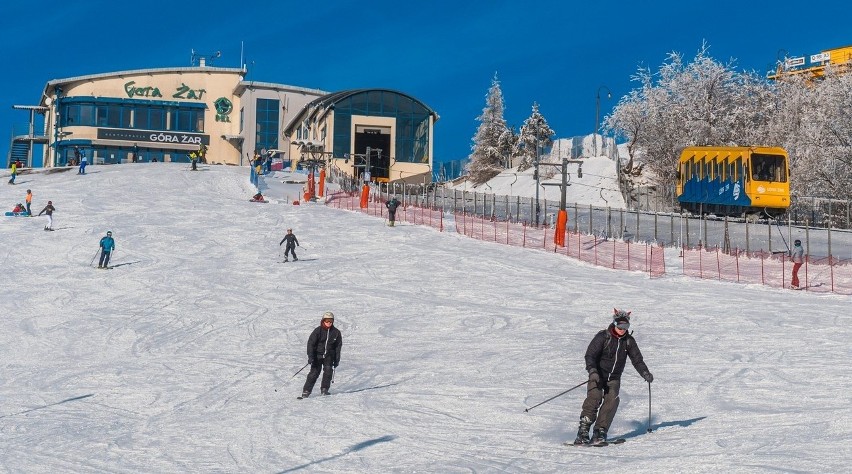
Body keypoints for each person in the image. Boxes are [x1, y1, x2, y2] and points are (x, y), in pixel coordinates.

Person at [573, 309, 653, 445]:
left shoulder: (628, 341)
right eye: (620, 326)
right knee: (594, 397)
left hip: (614, 378)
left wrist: (645, 373)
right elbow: (590, 355)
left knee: (612, 400)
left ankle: (600, 432)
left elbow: (637, 360)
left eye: (626, 327)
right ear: (614, 323)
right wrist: (593, 371)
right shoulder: (603, 337)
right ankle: (583, 432)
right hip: (598, 375)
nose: (622, 329)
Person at [302, 311, 343, 398]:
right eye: (327, 321)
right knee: (314, 373)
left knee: (328, 372)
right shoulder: (318, 331)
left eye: (331, 321)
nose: (329, 323)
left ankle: (324, 389)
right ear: (323, 321)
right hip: (318, 355)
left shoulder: (336, 332)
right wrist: (311, 356)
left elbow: (338, 347)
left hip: (329, 356)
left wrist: (336, 359)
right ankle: (306, 391)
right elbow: (311, 344)